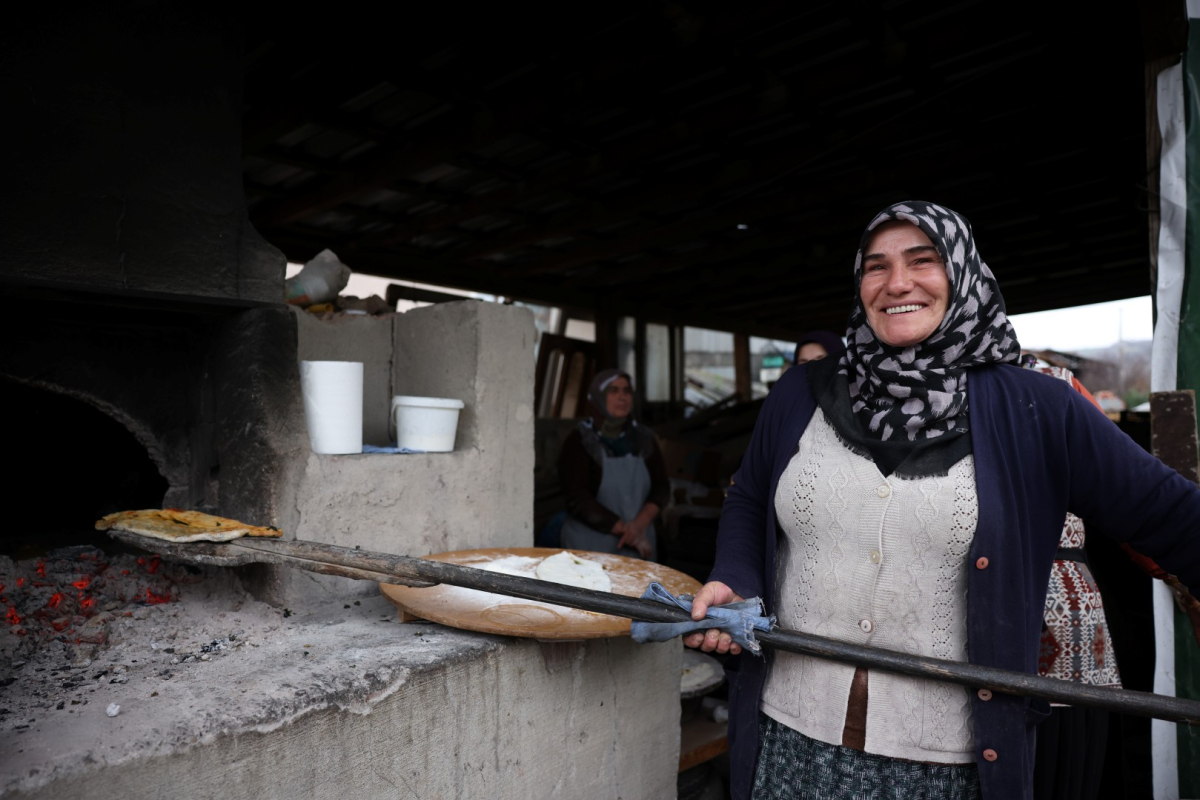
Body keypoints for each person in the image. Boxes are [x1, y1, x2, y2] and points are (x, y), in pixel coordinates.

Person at [684, 201, 1200, 800]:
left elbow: (1173, 517)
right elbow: (750, 496)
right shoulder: (800, 394)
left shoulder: (1038, 408)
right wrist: (735, 576)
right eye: (876, 266)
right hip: (788, 735)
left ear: (962, 273)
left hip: (947, 762)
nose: (896, 282)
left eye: (922, 261)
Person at [557, 369, 669, 560]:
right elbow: (577, 497)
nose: (622, 397)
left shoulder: (644, 438)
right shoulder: (580, 440)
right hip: (590, 546)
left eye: (627, 391)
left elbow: (661, 486)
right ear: (598, 397)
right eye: (613, 390)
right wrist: (627, 531)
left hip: (641, 542)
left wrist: (639, 526)